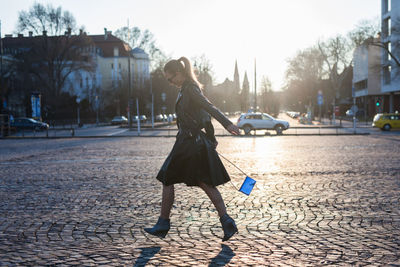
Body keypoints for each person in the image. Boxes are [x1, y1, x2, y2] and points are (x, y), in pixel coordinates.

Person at [144, 56, 241, 241]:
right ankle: (227, 222)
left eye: (170, 78)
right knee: (204, 182)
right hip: (190, 142)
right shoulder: (186, 89)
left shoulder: (190, 89)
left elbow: (208, 107)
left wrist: (227, 124)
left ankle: (163, 223)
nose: (169, 82)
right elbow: (204, 116)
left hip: (188, 143)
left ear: (178, 73)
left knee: (167, 177)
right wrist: (211, 138)